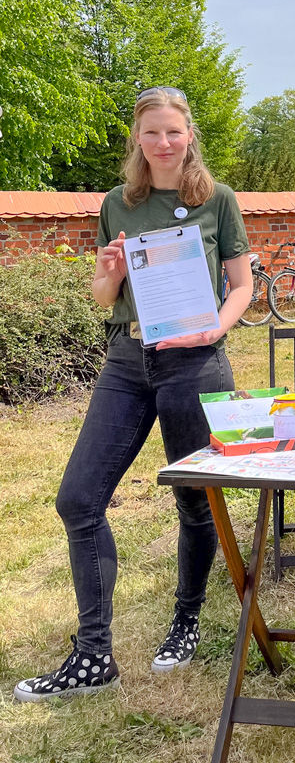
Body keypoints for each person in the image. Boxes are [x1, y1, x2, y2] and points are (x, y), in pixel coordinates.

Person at [14, 87, 254, 702]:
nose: (164, 143)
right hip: (127, 360)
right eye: (152, 133)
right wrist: (110, 275)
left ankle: (186, 619)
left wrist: (215, 328)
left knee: (196, 502)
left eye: (173, 131)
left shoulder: (217, 201)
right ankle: (94, 655)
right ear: (138, 139)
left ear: (189, 135)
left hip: (196, 362)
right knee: (78, 500)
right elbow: (102, 298)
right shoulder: (117, 205)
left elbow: (241, 287)